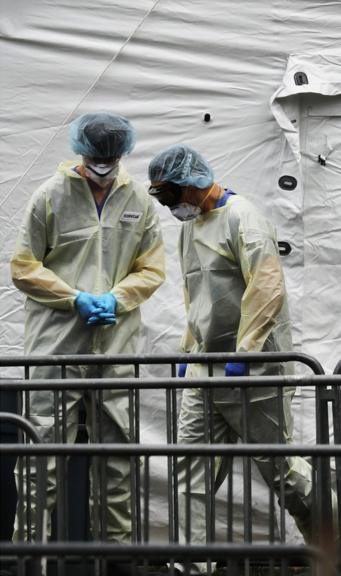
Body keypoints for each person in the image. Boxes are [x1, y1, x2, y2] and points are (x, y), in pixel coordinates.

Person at [146, 144, 315, 557]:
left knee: (281, 470)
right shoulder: (191, 227)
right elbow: (196, 297)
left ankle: (331, 547)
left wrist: (248, 351)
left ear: (191, 183)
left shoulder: (244, 219)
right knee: (189, 472)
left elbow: (266, 288)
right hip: (207, 368)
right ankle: (191, 565)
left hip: (255, 371)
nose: (170, 207)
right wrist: (189, 352)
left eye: (169, 195)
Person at [10, 112, 165, 543]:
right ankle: (31, 557)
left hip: (116, 344)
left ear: (122, 155)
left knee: (117, 456)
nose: (104, 164)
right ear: (81, 152)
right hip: (56, 344)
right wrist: (72, 297)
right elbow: (23, 267)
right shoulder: (50, 196)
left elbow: (151, 268)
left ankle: (115, 558)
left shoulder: (138, 199)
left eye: (111, 157)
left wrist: (117, 298)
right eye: (98, 156)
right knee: (42, 452)